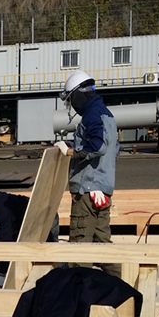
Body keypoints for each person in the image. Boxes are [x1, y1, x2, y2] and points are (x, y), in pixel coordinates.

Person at [60, 71, 121, 278]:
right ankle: (124, 287)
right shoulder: (106, 114)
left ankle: (81, 292)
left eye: (71, 100)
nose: (72, 106)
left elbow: (97, 146)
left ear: (78, 95)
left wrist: (69, 152)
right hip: (102, 190)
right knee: (102, 246)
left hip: (87, 191)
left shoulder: (92, 116)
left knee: (80, 249)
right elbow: (113, 150)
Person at [0, 180, 59, 282]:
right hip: (42, 218)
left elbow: (5, 242)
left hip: (45, 221)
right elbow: (2, 231)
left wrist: (2, 274)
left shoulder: (0, 209)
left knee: (50, 262)